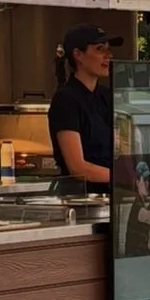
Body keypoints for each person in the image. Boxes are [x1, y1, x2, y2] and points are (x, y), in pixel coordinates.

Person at [47, 24, 114, 187]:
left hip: (112, 198)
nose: (108, 55)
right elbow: (78, 168)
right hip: (81, 200)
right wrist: (123, 178)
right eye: (99, 49)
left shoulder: (107, 96)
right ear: (78, 55)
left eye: (108, 49)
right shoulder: (66, 99)